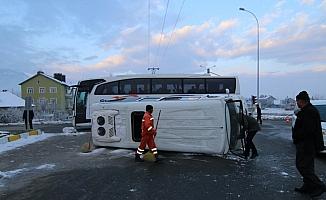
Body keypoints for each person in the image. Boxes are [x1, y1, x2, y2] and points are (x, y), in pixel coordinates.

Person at [292, 91, 325, 197]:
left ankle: (319, 185)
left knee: (302, 166)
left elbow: (308, 130)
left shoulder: (309, 112)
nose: (297, 103)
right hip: (306, 144)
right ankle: (308, 186)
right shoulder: (307, 110)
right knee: (307, 166)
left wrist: (298, 137)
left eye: (297, 101)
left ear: (302, 101)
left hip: (306, 144)